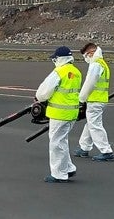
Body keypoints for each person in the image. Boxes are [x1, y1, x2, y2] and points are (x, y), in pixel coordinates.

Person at [35, 46, 82, 183]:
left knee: (56, 143)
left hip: (59, 113)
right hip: (72, 112)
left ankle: (59, 174)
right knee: (63, 140)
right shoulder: (76, 72)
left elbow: (43, 93)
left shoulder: (59, 72)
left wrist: (39, 99)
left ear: (59, 58)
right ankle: (68, 167)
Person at [73, 43, 114, 161]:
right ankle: (84, 147)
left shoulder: (95, 64)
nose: (86, 58)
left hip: (95, 100)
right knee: (91, 123)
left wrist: (81, 99)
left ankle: (106, 150)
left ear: (91, 53)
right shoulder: (102, 64)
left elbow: (89, 83)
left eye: (86, 55)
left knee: (95, 125)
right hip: (100, 99)